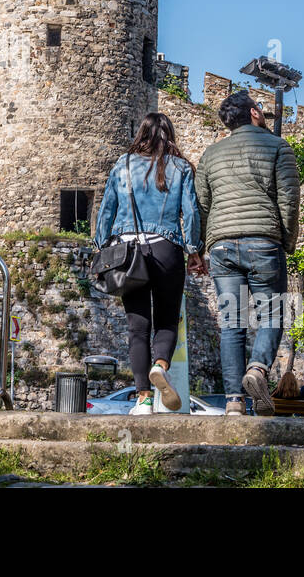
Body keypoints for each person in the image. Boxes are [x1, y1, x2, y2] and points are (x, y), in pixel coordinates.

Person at [195, 90, 300, 416]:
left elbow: (201, 205)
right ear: (254, 113)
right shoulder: (279, 147)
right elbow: (289, 200)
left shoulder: (211, 155)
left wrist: (200, 248)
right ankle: (257, 370)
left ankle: (233, 402)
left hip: (223, 248)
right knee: (271, 315)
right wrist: (287, 241)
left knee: (232, 324)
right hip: (263, 243)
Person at [95, 111, 204, 416]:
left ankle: (143, 399)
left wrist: (102, 245)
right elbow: (191, 213)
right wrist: (194, 249)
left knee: (137, 327)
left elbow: (106, 212)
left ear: (140, 133)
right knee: (168, 319)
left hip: (129, 253)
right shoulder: (181, 167)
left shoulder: (123, 164)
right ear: (169, 135)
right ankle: (161, 365)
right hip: (166, 249)